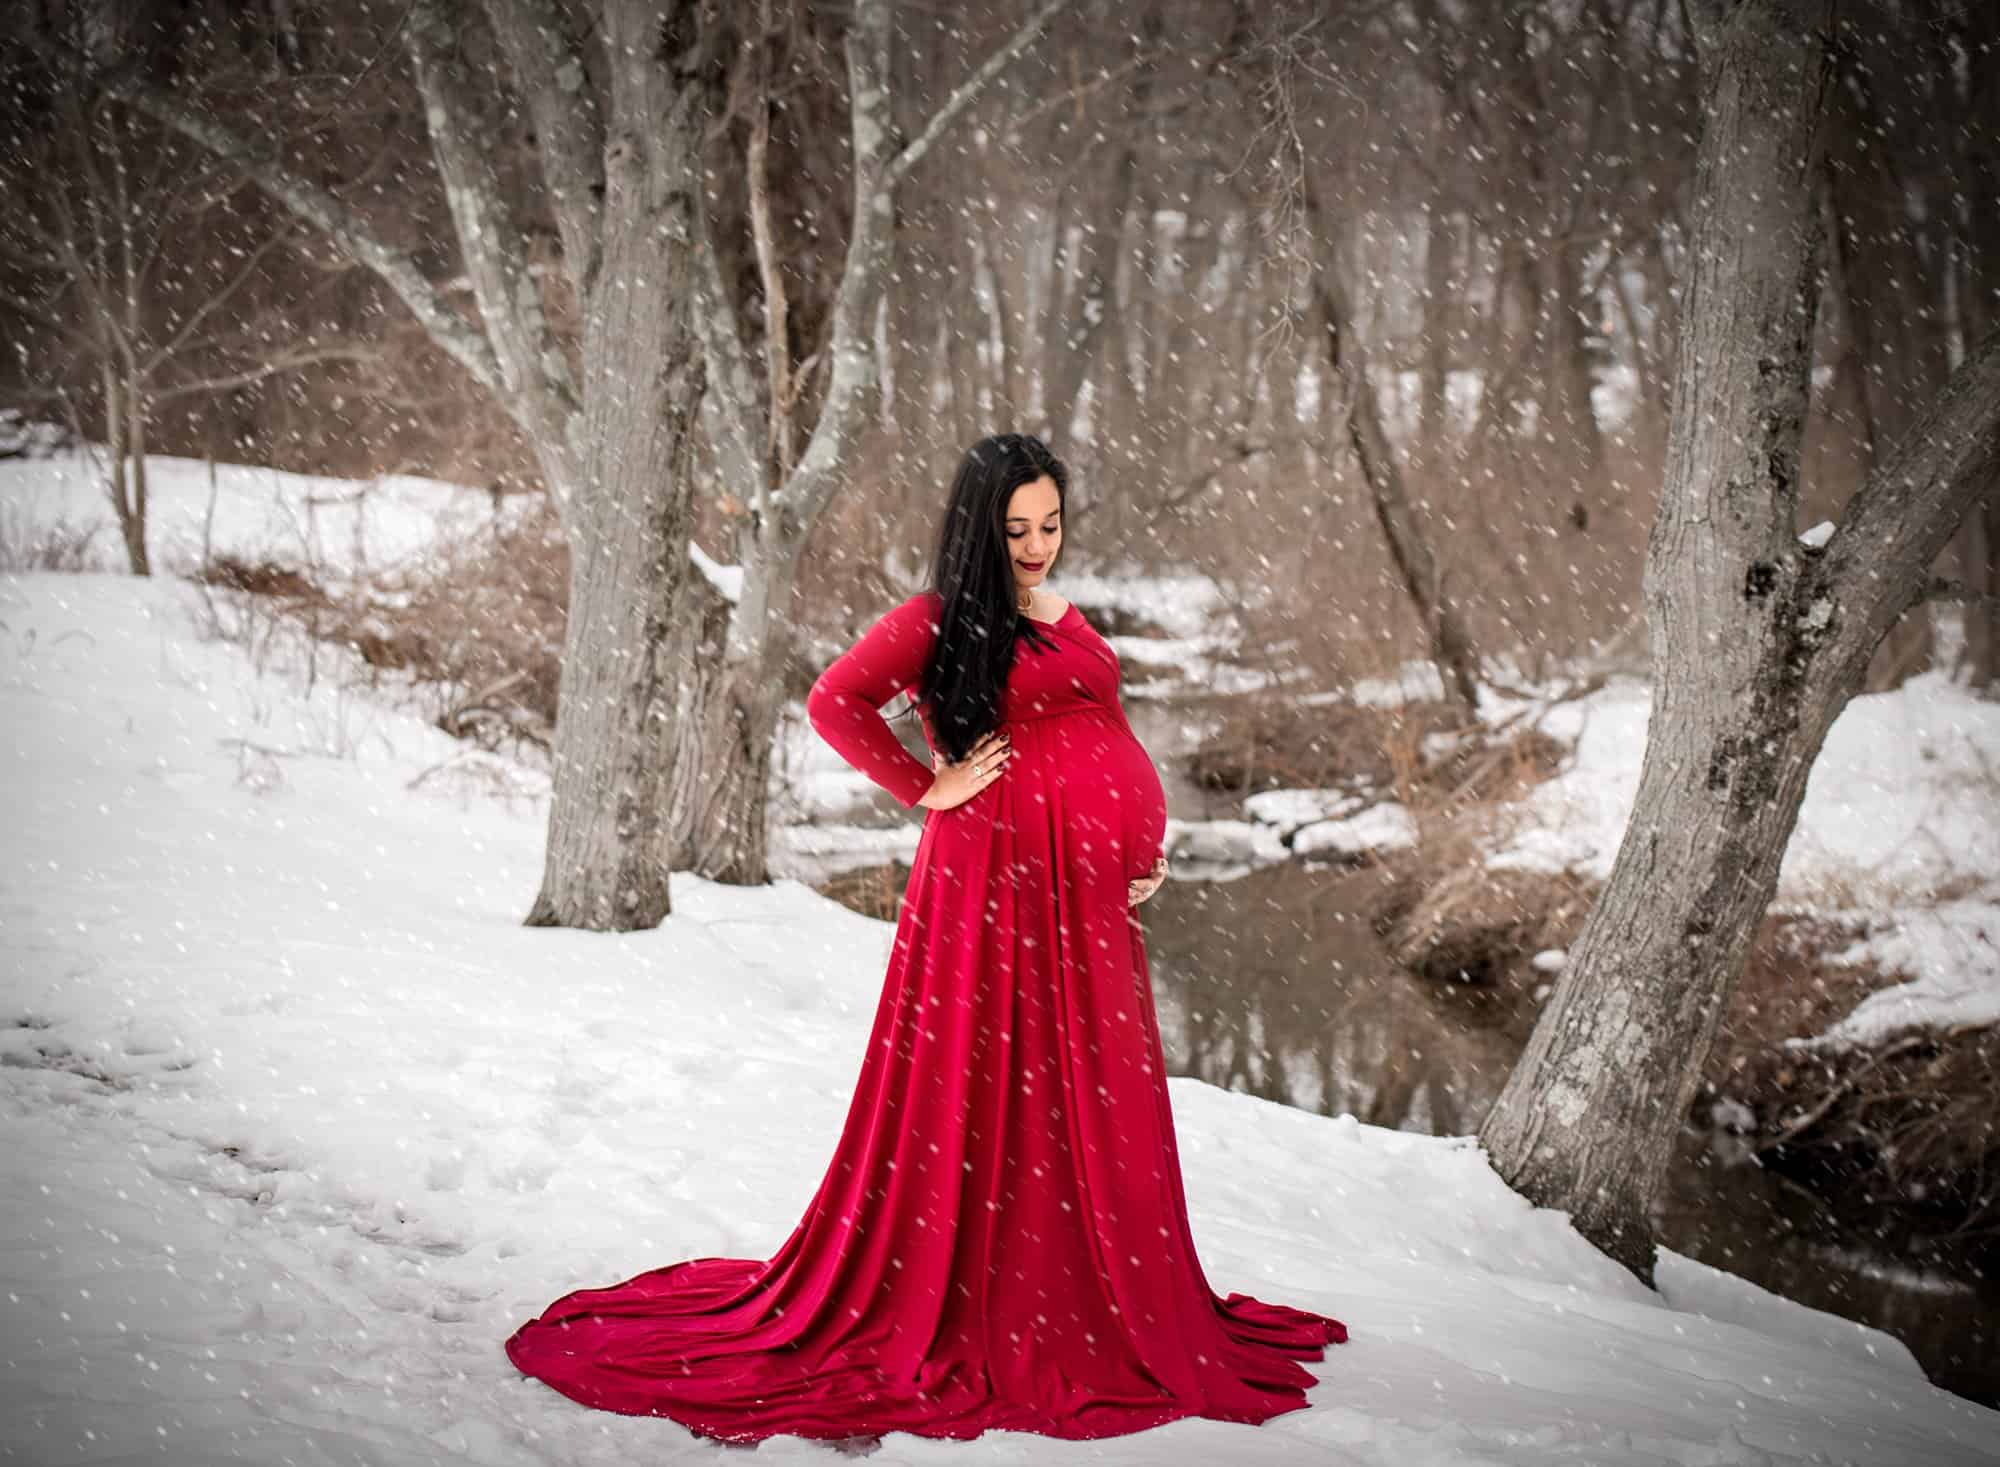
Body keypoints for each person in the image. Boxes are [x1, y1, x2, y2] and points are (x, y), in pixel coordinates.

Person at [503, 432, 1347, 1444]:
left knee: (1086, 1087)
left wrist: (1139, 848)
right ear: (977, 529)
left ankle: (1077, 1286)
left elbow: (1102, 737)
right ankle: (978, 1297)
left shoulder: (1069, 622)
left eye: (1051, 524)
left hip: (1083, 906)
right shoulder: (937, 621)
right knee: (989, 1084)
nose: (1036, 546)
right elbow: (832, 703)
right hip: (990, 881)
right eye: (1016, 528)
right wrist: (925, 786)